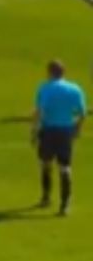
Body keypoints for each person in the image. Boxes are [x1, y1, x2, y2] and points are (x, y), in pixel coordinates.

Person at [33, 60, 86, 216]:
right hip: (65, 131)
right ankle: (65, 204)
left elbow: (40, 111)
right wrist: (77, 128)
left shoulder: (45, 88)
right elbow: (82, 113)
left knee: (46, 164)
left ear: (50, 72)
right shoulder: (74, 88)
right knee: (65, 167)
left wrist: (34, 130)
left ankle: (46, 197)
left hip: (48, 131)